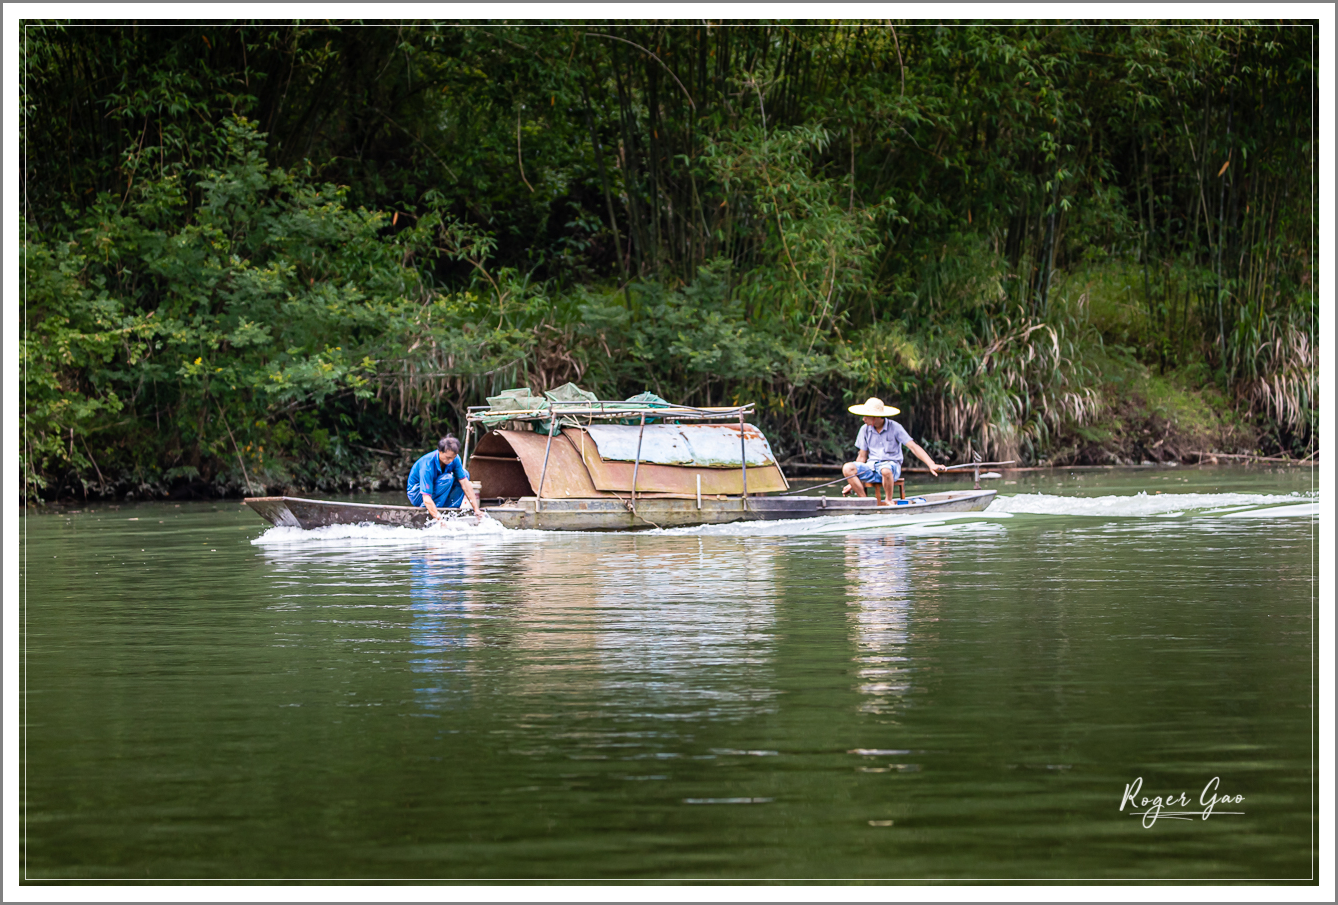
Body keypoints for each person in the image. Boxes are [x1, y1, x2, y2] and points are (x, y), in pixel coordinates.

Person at [841, 397, 946, 505]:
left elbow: (913, 447)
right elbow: (862, 456)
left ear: (876, 417)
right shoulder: (864, 430)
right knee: (848, 468)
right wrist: (853, 482)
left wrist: (931, 464)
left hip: (891, 467)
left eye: (866, 416)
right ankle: (864, 501)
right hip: (871, 467)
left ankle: (888, 500)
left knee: (885, 469)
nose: (863, 419)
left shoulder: (895, 427)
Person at [407, 435, 482, 523]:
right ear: (440, 451)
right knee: (447, 479)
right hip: (418, 494)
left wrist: (476, 509)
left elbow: (465, 484)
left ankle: (450, 510)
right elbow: (426, 497)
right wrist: (439, 520)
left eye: (453, 458)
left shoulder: (455, 459)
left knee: (464, 474)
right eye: (448, 458)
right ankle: (436, 512)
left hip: (439, 487)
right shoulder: (427, 465)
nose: (451, 461)